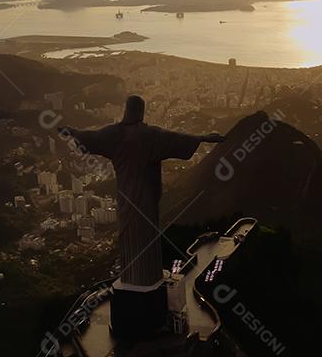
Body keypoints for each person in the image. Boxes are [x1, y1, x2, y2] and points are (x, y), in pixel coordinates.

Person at [58, 95, 224, 339]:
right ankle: (146, 278)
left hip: (126, 200)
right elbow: (176, 139)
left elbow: (89, 136)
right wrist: (203, 138)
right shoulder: (149, 135)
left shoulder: (113, 134)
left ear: (126, 110)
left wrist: (71, 130)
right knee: (146, 236)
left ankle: (133, 278)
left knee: (129, 236)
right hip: (145, 201)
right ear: (141, 111)